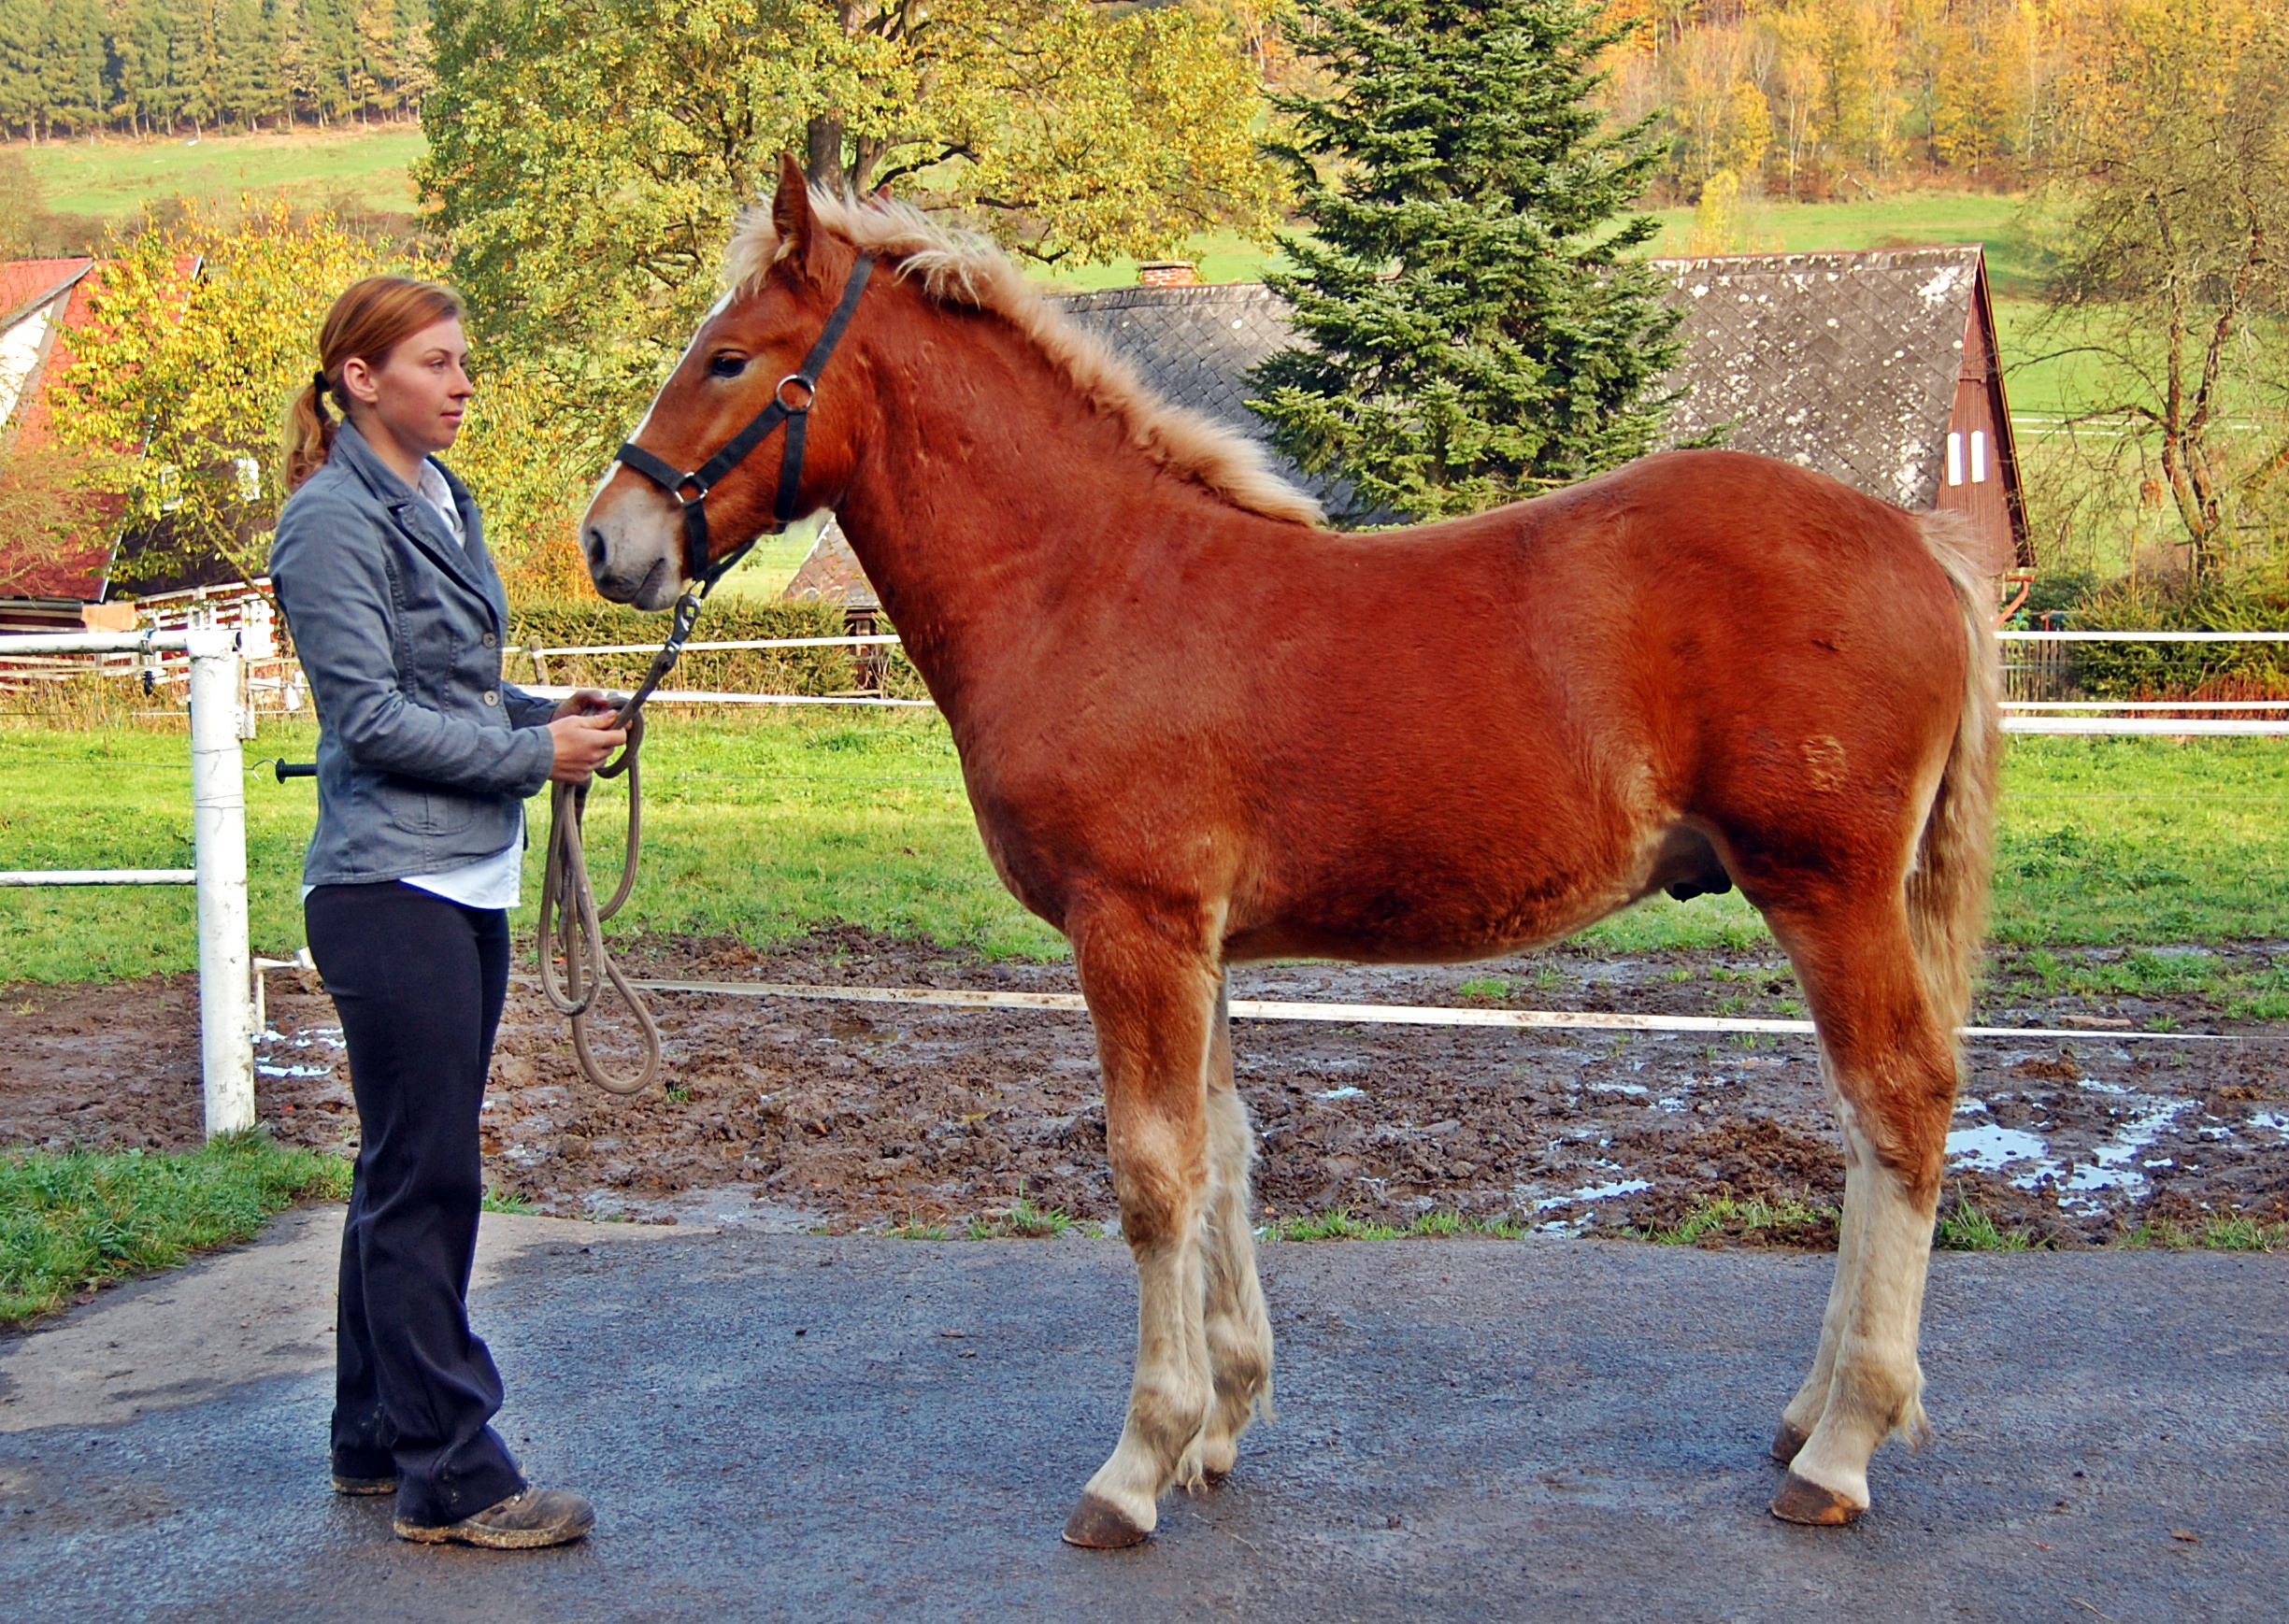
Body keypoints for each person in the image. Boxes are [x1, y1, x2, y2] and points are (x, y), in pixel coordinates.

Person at [270, 276, 621, 1550]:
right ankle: (454, 1477)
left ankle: (373, 1431)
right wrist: (538, 759)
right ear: (360, 379)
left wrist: (550, 715)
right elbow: (368, 719)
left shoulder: (442, 497)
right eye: (434, 361)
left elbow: (457, 686)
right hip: (388, 885)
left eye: (462, 359)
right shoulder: (328, 524)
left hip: (462, 878)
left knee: (398, 1164)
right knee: (430, 1176)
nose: (462, 382)